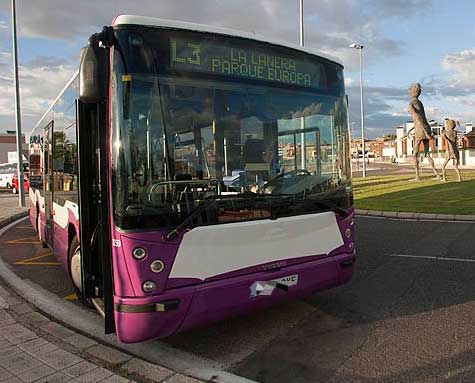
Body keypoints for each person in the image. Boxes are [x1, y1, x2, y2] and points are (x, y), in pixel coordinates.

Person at [407, 83, 440, 181]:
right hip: (425, 127)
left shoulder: (411, 103)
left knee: (414, 155)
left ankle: (417, 176)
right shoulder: (419, 102)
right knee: (427, 154)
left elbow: (418, 117)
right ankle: (437, 174)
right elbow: (420, 119)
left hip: (421, 130)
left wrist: (424, 132)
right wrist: (412, 129)